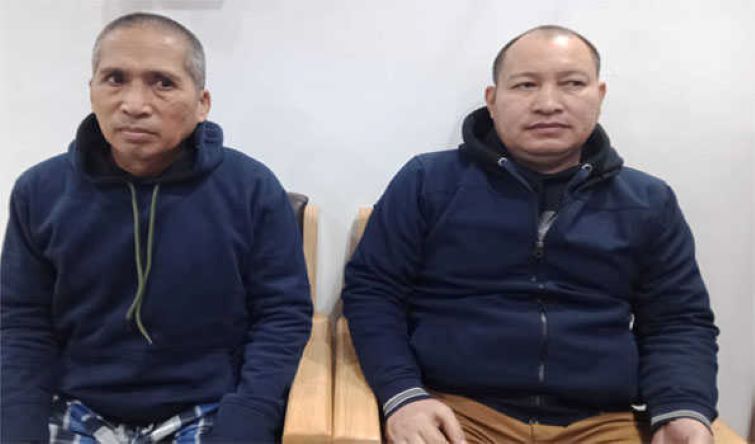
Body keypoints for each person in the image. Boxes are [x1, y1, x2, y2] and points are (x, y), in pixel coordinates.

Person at [342, 25, 718, 444]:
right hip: (456, 412)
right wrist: (403, 395)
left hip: (603, 423)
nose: (548, 103)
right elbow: (373, 292)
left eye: (572, 84)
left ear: (599, 95)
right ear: (492, 100)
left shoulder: (647, 200)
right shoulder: (427, 182)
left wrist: (682, 408)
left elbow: (677, 320)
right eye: (525, 85)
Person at [0, 12, 312, 443]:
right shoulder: (39, 191)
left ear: (202, 103)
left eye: (162, 83)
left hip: (208, 407)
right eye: (114, 79)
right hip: (74, 404)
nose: (134, 104)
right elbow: (22, 322)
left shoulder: (252, 189)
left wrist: (248, 419)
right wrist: (17, 424)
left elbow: (282, 316)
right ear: (91, 90)